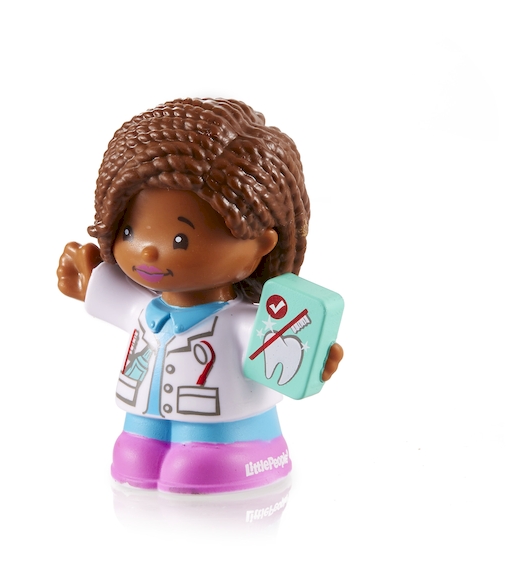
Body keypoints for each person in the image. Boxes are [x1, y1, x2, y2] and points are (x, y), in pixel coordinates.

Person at [57, 98, 343, 494]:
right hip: (145, 412)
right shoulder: (147, 309)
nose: (147, 252)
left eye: (180, 239)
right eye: (128, 232)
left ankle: (236, 449)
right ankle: (147, 441)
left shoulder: (242, 323)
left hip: (227, 426)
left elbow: (284, 349)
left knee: (196, 463)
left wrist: (310, 360)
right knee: (134, 452)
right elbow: (117, 301)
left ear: (262, 244)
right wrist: (88, 280)